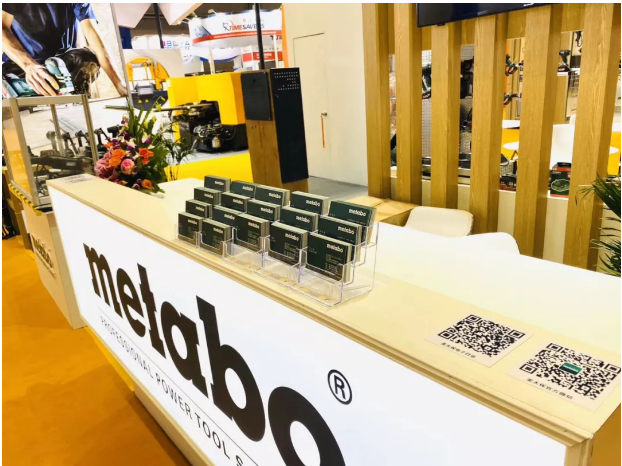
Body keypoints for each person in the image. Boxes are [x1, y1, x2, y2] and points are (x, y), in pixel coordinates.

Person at [2, 4, 127, 97]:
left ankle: (71, 99)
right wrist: (29, 65)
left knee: (87, 61)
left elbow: (96, 41)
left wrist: (119, 85)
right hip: (23, 69)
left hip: (62, 67)